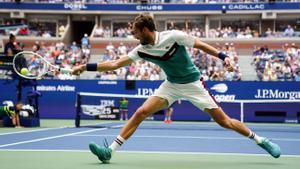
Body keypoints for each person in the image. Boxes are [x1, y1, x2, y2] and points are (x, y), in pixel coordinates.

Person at [72, 14, 281, 163]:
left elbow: (199, 45)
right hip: (171, 85)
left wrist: (223, 56)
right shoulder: (141, 50)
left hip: (193, 85)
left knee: (224, 122)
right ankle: (109, 151)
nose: (134, 36)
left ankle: (260, 140)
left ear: (145, 30)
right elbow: (115, 64)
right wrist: (85, 66)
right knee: (141, 112)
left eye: (136, 32)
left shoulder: (173, 36)